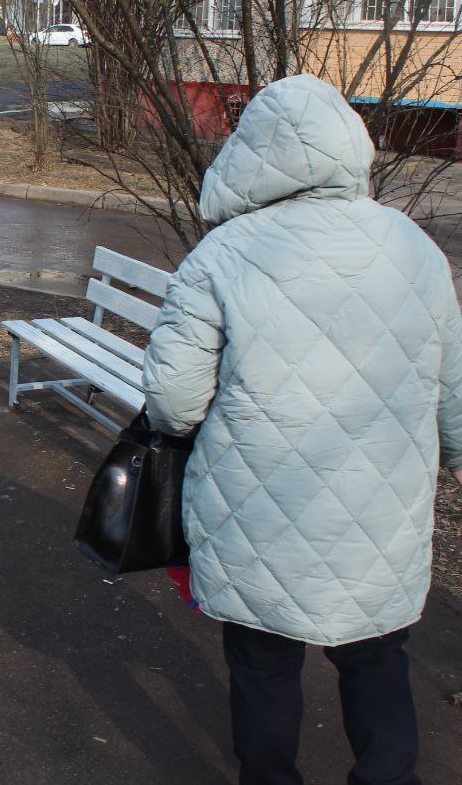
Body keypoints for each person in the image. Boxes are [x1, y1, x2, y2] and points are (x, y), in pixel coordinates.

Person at [141, 74, 462, 785]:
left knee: (262, 666)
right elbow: (455, 387)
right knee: (378, 657)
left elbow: (173, 402)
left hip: (259, 505)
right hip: (381, 507)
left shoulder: (222, 255)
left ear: (252, 153)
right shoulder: (413, 247)